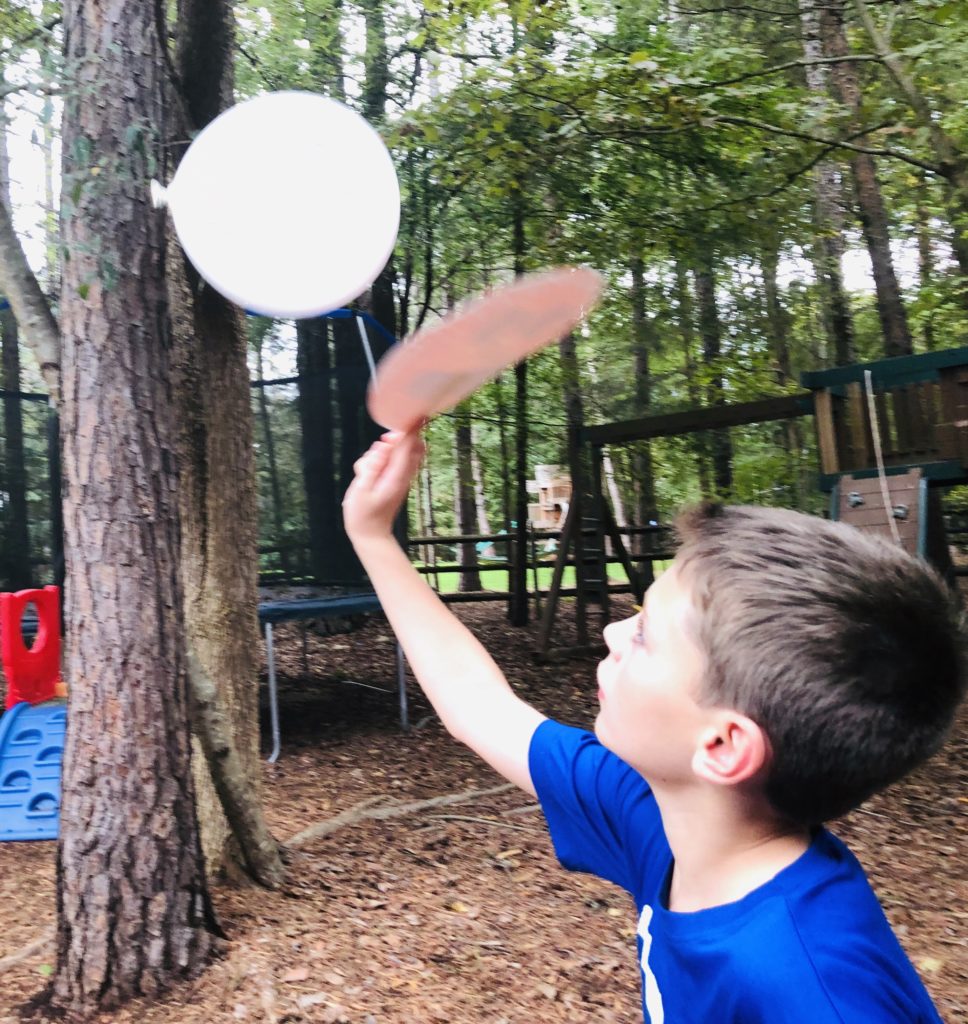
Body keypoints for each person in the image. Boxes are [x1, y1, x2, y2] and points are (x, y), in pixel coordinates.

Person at [342, 428, 966, 1023]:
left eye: (644, 633)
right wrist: (372, 534)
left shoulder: (814, 990)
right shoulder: (659, 815)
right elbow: (477, 706)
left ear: (722, 746)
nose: (613, 632)